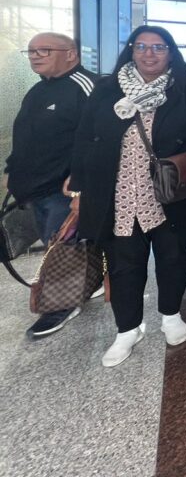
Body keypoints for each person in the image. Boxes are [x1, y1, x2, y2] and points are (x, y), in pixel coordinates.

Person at [68, 26, 186, 367]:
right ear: (131, 50)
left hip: (171, 190)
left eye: (158, 47)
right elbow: (85, 137)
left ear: (170, 52)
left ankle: (171, 314)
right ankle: (127, 329)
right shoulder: (108, 89)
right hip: (118, 191)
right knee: (123, 262)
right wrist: (78, 184)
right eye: (141, 46)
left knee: (174, 255)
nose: (149, 54)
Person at [5, 33, 98, 338]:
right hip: (34, 187)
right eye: (31, 51)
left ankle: (61, 304)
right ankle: (86, 283)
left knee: (62, 247)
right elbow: (27, 136)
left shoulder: (86, 86)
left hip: (63, 189)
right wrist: (13, 170)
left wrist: (81, 181)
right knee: (54, 242)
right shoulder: (38, 90)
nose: (35, 56)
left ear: (71, 54)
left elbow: (97, 139)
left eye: (44, 50)